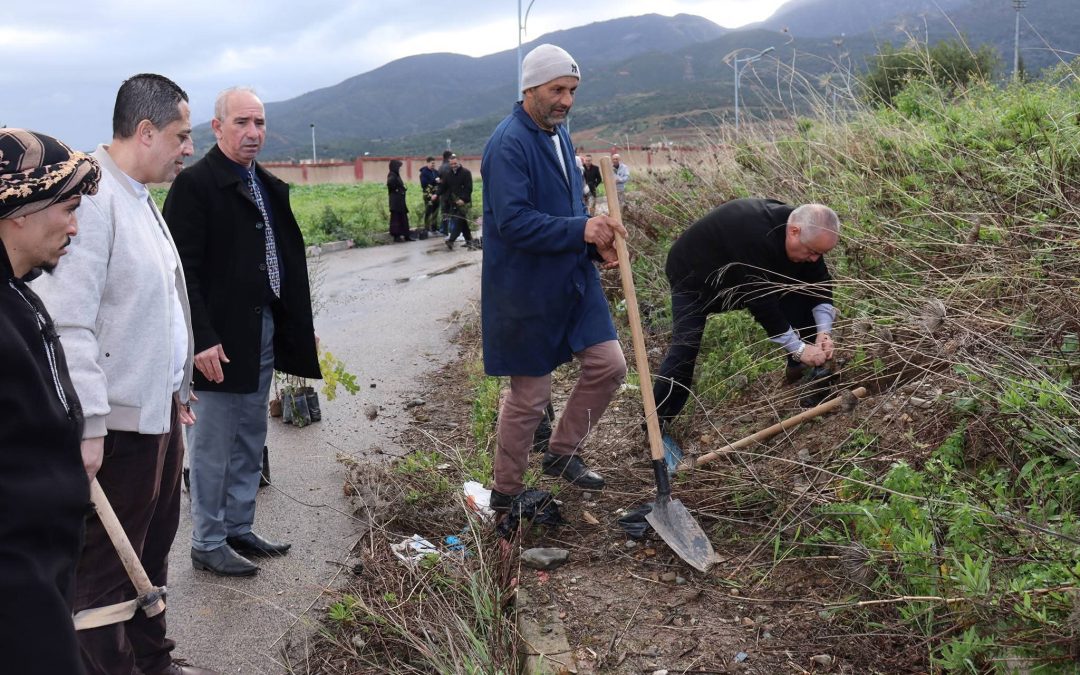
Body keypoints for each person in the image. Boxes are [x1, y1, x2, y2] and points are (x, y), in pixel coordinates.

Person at [30, 75, 213, 675]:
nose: (189, 147)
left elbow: (153, 308)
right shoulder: (93, 197)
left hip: (156, 414)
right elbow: (71, 322)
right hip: (116, 428)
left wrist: (176, 386)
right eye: (182, 136)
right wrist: (90, 424)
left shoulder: (137, 195)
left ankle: (153, 661)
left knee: (150, 556)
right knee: (107, 575)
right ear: (145, 131)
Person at [163, 87, 321, 578]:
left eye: (259, 123)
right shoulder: (196, 186)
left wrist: (298, 327)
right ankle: (207, 541)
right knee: (213, 441)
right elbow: (180, 270)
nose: (253, 133)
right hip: (220, 340)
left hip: (262, 329)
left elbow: (284, 263)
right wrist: (201, 336)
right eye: (241, 123)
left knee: (251, 433)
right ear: (217, 127)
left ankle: (237, 526)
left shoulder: (265, 184)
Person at [481, 43, 628, 510]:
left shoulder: (559, 135)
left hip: (571, 277)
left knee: (609, 365)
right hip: (523, 288)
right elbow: (514, 222)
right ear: (530, 88)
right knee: (530, 395)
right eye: (557, 89)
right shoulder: (509, 143)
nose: (566, 100)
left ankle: (561, 453)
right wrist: (581, 228)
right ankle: (506, 494)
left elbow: (568, 208)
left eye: (572, 90)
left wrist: (593, 239)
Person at [0, 128, 100, 675]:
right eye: (68, 207)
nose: (75, 226)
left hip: (44, 562)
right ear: (20, 207)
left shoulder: (17, 289)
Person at [652, 199, 840, 431]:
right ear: (793, 232)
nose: (814, 259)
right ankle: (656, 422)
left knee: (799, 290)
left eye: (819, 254)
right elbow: (762, 302)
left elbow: (819, 285)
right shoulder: (754, 235)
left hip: (743, 275)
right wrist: (799, 348)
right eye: (812, 252)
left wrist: (824, 332)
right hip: (694, 278)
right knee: (686, 347)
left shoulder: (807, 233)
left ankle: (804, 371)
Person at [440, 154, 474, 250]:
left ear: (459, 162)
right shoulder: (448, 174)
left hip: (464, 202)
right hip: (453, 202)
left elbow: (469, 188)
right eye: (451, 164)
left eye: (455, 163)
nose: (453, 165)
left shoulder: (466, 173)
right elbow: (443, 187)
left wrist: (463, 199)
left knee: (459, 220)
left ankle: (451, 240)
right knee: (462, 221)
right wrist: (436, 194)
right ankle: (469, 240)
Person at [387, 159, 412, 242]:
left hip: (400, 201)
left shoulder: (396, 175)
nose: (400, 169)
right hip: (395, 202)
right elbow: (390, 184)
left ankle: (406, 235)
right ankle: (396, 236)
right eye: (399, 167)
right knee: (396, 218)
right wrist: (398, 190)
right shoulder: (392, 175)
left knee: (403, 218)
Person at [419, 155, 440, 232]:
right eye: (432, 163)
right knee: (428, 211)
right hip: (428, 195)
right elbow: (424, 185)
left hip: (436, 194)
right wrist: (434, 181)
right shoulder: (423, 173)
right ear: (427, 163)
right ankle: (426, 228)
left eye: (434, 163)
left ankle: (434, 227)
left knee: (435, 211)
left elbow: (439, 182)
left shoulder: (436, 172)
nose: (433, 165)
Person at [437, 149, 453, 236]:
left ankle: (444, 230)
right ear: (449, 157)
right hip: (452, 194)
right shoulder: (452, 166)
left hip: (443, 194)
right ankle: (451, 231)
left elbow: (438, 180)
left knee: (444, 213)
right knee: (452, 213)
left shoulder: (440, 167)